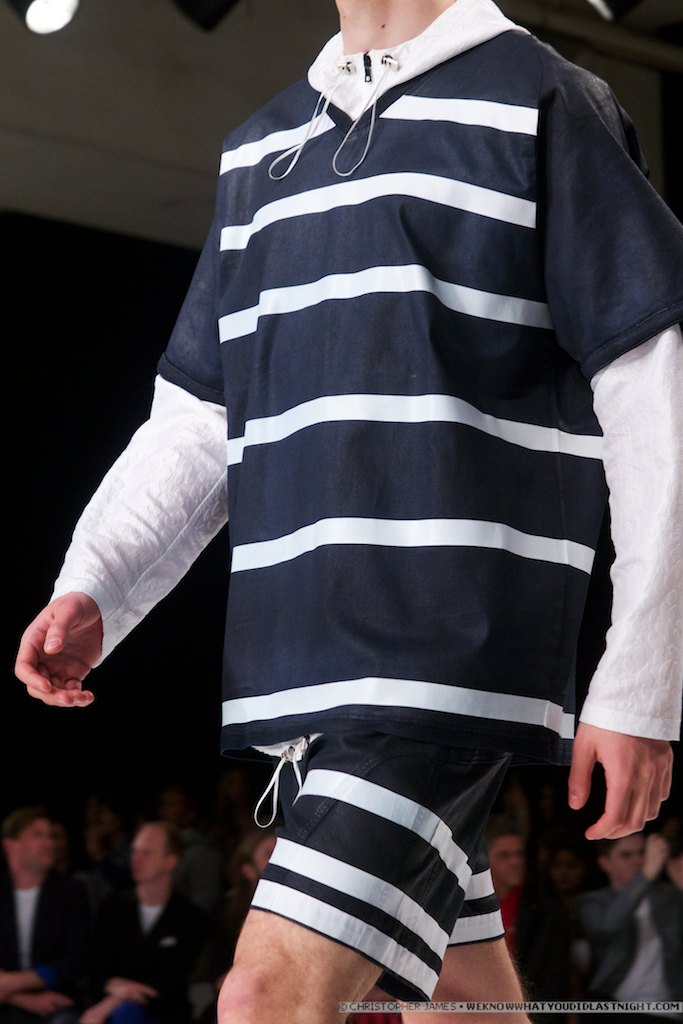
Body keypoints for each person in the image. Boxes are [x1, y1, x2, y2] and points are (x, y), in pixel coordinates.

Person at [14, 0, 683, 1021]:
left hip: (443, 657)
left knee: (263, 996)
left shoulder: (540, 98)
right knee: (457, 1000)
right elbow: (200, 415)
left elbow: (652, 386)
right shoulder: (261, 148)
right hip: (304, 668)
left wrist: (640, 679)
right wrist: (97, 579)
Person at [81, 821, 209, 1024]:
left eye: (146, 853)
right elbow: (95, 969)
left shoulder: (190, 917)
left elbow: (172, 980)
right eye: (135, 851)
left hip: (166, 1015)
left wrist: (119, 997)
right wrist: (111, 987)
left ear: (170, 862)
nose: (136, 858)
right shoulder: (112, 907)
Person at [577, 832, 683, 1021]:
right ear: (605, 863)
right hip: (614, 1008)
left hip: (668, 1011)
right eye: (626, 855)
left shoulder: (670, 896)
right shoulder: (593, 901)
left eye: (642, 853)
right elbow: (606, 926)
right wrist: (646, 875)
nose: (638, 861)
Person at [0, 807, 91, 1024]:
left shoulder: (71, 892)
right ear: (11, 845)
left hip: (55, 1000)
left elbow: (76, 960)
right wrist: (21, 999)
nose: (49, 843)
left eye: (51, 836)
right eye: (37, 835)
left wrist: (11, 983)